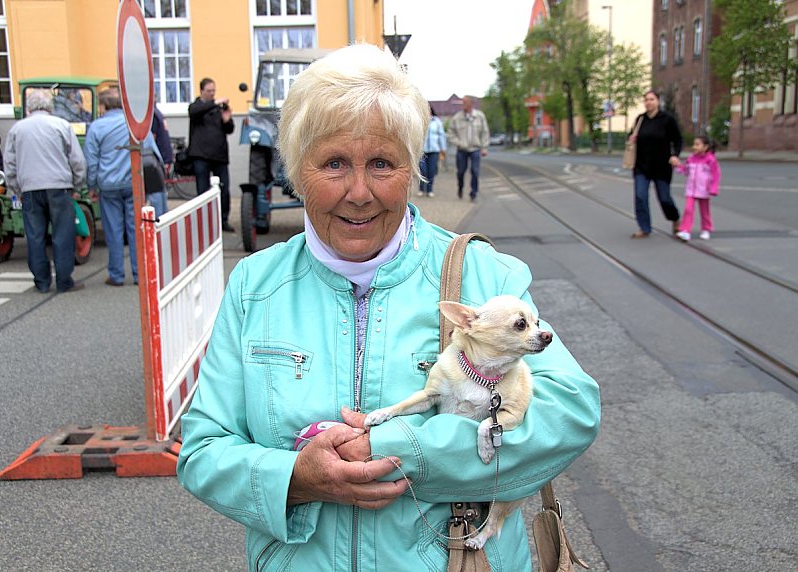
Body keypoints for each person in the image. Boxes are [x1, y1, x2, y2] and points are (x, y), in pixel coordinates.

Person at [177, 44, 600, 571]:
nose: (359, 192)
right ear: (295, 169)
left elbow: (569, 410)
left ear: (412, 167)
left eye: (381, 163)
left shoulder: (483, 276)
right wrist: (294, 480)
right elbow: (202, 449)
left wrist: (404, 448)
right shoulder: (254, 286)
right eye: (333, 163)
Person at [5, 89, 86, 293]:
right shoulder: (61, 125)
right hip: (59, 186)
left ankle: (41, 281)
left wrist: (16, 187)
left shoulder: (17, 129)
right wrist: (77, 184)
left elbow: (10, 163)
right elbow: (76, 160)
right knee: (62, 234)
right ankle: (64, 280)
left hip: (30, 188)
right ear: (50, 107)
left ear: (29, 107)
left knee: (35, 236)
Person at [84, 88, 162, 286]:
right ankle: (139, 274)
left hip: (108, 185)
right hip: (133, 183)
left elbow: (91, 160)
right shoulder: (134, 123)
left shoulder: (96, 127)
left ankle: (117, 274)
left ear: (103, 106)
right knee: (136, 229)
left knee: (113, 231)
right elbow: (152, 150)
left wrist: (91, 186)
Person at [628, 90, 682, 239]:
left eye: (651, 99)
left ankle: (675, 218)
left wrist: (675, 155)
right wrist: (631, 139)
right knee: (640, 196)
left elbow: (678, 139)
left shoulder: (667, 119)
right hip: (641, 166)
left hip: (662, 166)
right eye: (646, 100)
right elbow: (631, 136)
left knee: (664, 198)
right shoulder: (640, 119)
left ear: (658, 101)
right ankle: (644, 227)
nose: (648, 102)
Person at [187, 77, 235, 231]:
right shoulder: (196, 107)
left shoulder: (218, 108)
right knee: (203, 191)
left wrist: (227, 120)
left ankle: (223, 221)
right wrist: (214, 103)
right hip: (201, 156)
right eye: (209, 91)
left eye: (213, 91)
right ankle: (204, 223)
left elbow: (229, 129)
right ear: (201, 91)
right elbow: (195, 112)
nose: (212, 94)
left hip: (219, 156)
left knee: (224, 189)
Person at [672, 135, 721, 242]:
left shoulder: (710, 160)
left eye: (697, 145)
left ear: (705, 147)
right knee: (688, 209)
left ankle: (706, 229)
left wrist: (713, 188)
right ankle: (685, 230)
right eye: (694, 144)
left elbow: (716, 175)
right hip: (691, 190)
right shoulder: (691, 159)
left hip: (704, 190)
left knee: (705, 211)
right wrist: (677, 166)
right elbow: (685, 171)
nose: (694, 147)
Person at [447, 95, 490, 201]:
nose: (463, 105)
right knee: (461, 171)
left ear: (471, 103)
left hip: (475, 148)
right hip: (462, 149)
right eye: (463, 102)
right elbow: (450, 133)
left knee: (475, 171)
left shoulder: (479, 116)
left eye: (465, 102)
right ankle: (460, 187)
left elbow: (485, 132)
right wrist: (458, 143)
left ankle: (473, 193)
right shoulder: (457, 117)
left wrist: (484, 147)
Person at [418, 104, 447, 198]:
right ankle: (421, 189)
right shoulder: (419, 121)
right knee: (423, 171)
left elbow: (441, 136)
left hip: (434, 150)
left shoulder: (437, 122)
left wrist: (443, 149)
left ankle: (430, 190)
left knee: (431, 171)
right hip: (422, 151)